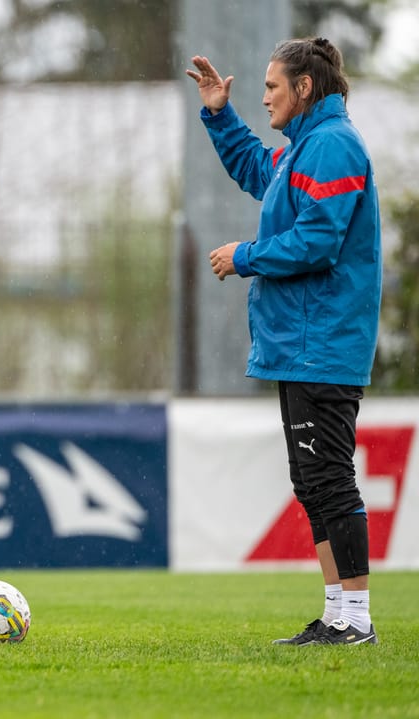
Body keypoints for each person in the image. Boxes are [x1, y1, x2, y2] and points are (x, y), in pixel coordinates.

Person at [186, 38, 381, 645]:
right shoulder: (306, 148)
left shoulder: (331, 146)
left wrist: (244, 255)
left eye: (272, 86)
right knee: (312, 479)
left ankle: (359, 619)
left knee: (328, 478)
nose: (264, 94)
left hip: (323, 340)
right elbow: (256, 170)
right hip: (303, 342)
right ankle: (337, 616)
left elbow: (317, 241)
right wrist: (220, 113)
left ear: (304, 88)